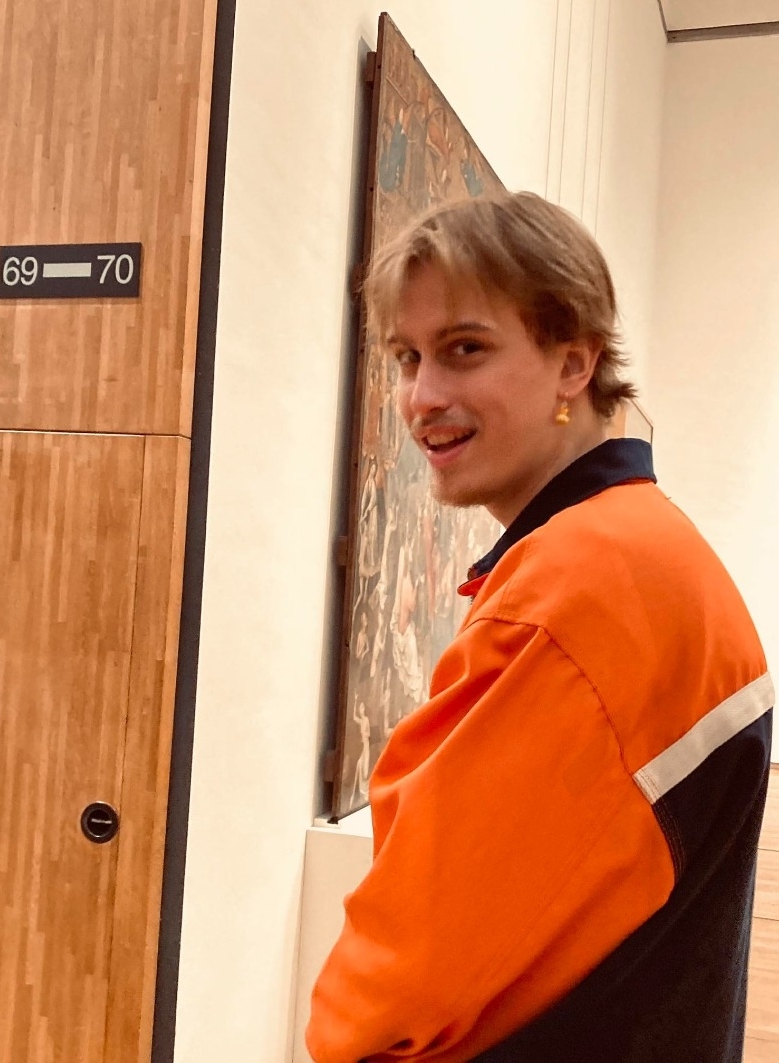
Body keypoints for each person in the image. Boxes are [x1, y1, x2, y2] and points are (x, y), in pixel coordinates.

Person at [306, 193, 774, 1063]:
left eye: (465, 349)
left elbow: (409, 976)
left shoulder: (577, 587)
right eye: (407, 358)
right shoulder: (644, 545)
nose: (422, 397)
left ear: (573, 362)